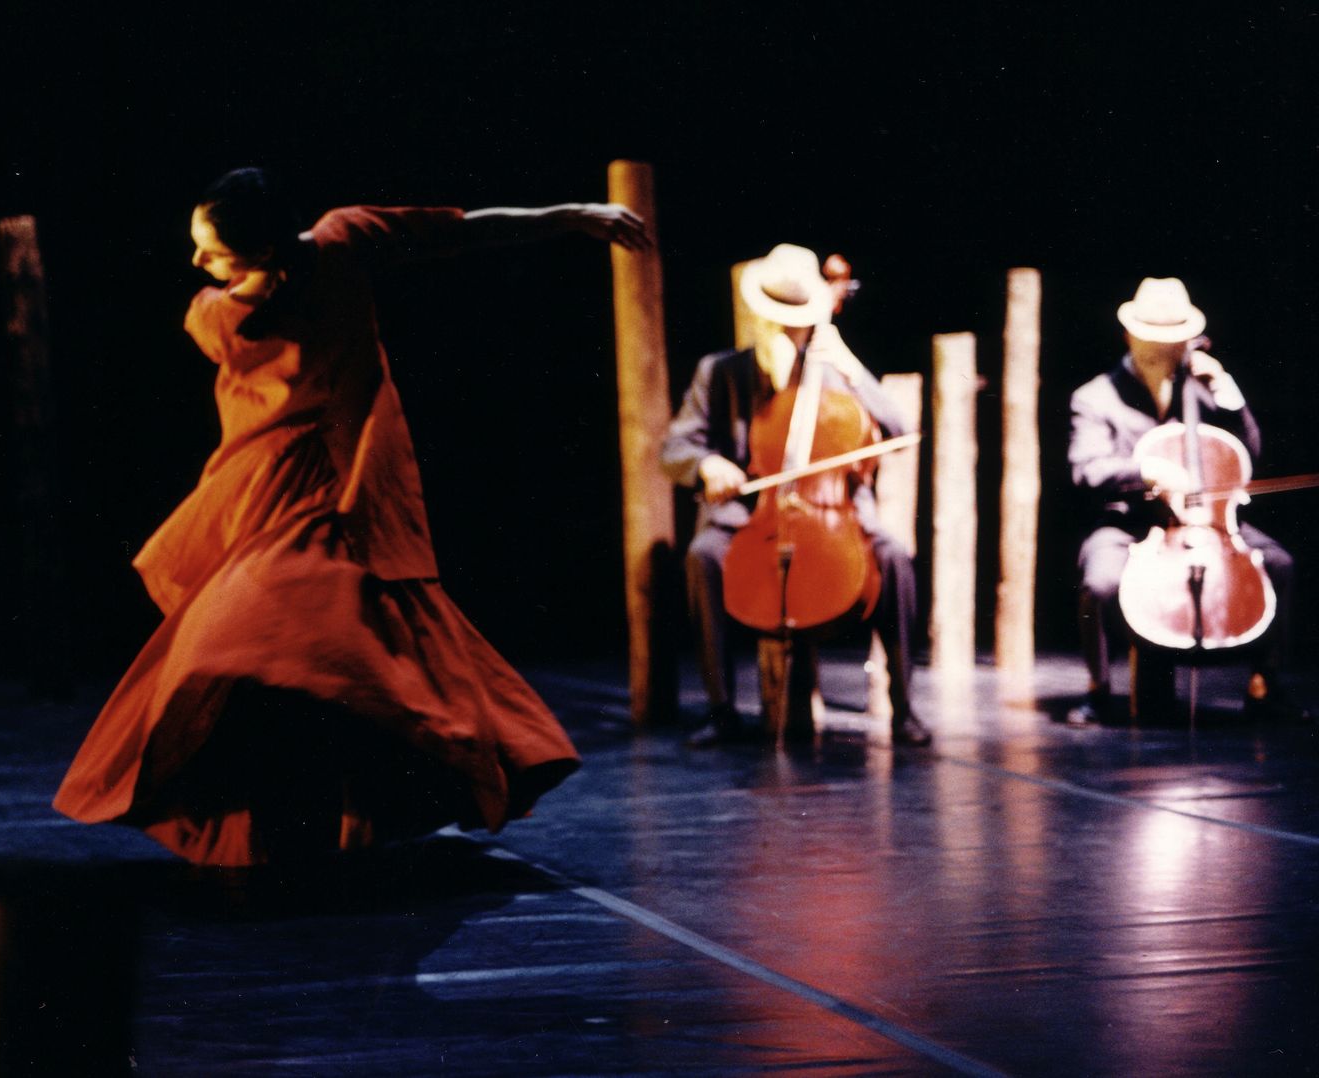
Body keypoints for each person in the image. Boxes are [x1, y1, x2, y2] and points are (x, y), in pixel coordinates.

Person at [53, 167, 651, 865]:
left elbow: (461, 230)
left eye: (211, 251)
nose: (197, 263)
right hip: (261, 486)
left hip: (346, 485)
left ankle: (395, 792)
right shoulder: (221, 311)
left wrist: (570, 213)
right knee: (260, 645)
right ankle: (283, 820)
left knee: (337, 641)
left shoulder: (326, 251)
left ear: (266, 251)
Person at [661, 244, 931, 748]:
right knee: (703, 557)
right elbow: (675, 447)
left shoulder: (836, 375)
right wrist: (708, 463)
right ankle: (721, 709)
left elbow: (899, 429)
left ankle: (905, 708)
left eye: (795, 321)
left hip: (835, 518)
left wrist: (851, 368)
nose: (785, 331)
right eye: (775, 319)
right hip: (748, 519)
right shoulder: (720, 372)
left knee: (894, 560)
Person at [1066, 276, 1306, 725]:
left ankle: (1263, 686)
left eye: (1175, 343)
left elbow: (1246, 455)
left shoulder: (1200, 390)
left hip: (1208, 521)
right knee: (1099, 583)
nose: (1166, 352)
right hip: (1130, 522)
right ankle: (1098, 689)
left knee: (1280, 564)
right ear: (1129, 336)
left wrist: (1229, 396)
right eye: (1155, 342)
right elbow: (1087, 468)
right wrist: (1145, 470)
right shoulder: (1096, 396)